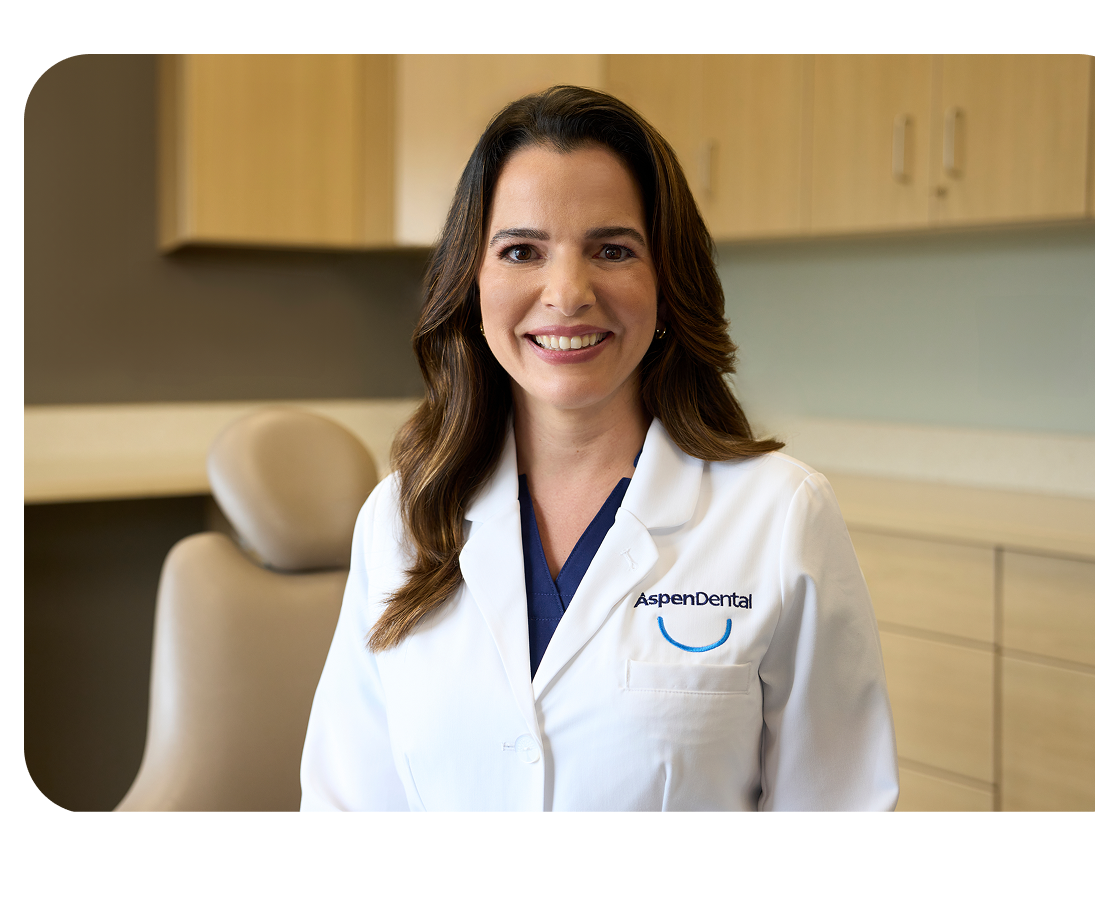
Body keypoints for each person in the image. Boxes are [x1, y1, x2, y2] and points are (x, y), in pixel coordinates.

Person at [300, 85, 898, 811]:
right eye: (522, 250)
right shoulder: (400, 517)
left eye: (612, 249)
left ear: (667, 282)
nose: (567, 292)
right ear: (473, 282)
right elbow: (347, 814)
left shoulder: (778, 516)